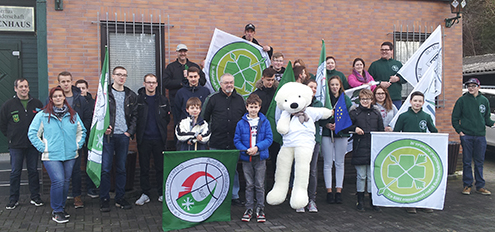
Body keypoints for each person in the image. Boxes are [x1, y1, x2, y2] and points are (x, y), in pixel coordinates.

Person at [28, 86, 86, 223]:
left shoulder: (73, 114)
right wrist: (43, 147)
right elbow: (32, 133)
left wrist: (77, 146)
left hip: (70, 155)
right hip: (51, 156)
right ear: (51, 99)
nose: (58, 98)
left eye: (60, 96)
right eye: (55, 96)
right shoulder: (42, 115)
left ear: (64, 97)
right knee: (58, 180)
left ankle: (61, 206)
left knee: (66, 182)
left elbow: (81, 131)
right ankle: (57, 210)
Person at [0, 78, 44, 210]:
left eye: (26, 86)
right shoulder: (8, 105)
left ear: (29, 88)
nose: (24, 89)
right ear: (15, 88)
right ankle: (13, 199)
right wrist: (11, 136)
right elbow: (2, 124)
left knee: (33, 171)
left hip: (32, 144)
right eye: (21, 87)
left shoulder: (37, 103)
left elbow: (42, 122)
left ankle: (35, 197)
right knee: (15, 172)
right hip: (16, 145)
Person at [203, 73, 246, 206]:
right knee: (215, 170)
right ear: (221, 84)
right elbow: (205, 118)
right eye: (226, 83)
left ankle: (234, 196)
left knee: (233, 169)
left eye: (231, 82)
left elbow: (245, 119)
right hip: (217, 140)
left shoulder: (240, 99)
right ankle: (216, 196)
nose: (229, 85)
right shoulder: (212, 99)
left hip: (234, 141)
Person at [100, 66, 138, 212]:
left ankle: (120, 198)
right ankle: (104, 198)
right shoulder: (105, 93)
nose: (122, 77)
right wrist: (104, 128)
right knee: (105, 168)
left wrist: (129, 132)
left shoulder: (130, 95)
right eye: (119, 74)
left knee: (122, 168)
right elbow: (98, 113)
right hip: (108, 136)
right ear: (113, 76)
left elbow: (135, 115)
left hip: (123, 136)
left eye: (124, 75)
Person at [394, 91, 437, 214]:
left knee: (422, 176)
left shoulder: (426, 116)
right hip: (407, 152)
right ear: (410, 101)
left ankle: (424, 203)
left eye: (420, 101)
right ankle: (410, 203)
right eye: (415, 101)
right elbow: (396, 133)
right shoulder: (403, 116)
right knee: (408, 178)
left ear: (423, 103)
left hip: (421, 151)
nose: (417, 103)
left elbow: (434, 131)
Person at [452, 77, 494, 196]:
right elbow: (455, 118)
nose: (471, 88)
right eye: (469, 86)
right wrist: (460, 132)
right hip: (467, 136)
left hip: (480, 136)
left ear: (478, 87)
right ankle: (467, 185)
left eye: (473, 86)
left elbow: (486, 118)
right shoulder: (462, 100)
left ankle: (480, 186)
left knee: (479, 161)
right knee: (466, 161)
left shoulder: (484, 100)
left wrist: (492, 124)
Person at [234, 94, 273, 223]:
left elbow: (269, 139)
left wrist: (257, 147)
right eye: (251, 107)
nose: (253, 110)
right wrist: (246, 150)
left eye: (255, 107)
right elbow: (237, 140)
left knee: (260, 184)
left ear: (259, 107)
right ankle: (249, 209)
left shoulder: (264, 121)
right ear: (246, 107)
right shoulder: (241, 123)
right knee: (249, 184)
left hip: (260, 157)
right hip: (247, 158)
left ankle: (260, 209)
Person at [57, 71, 92, 208]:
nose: (66, 84)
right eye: (63, 81)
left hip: (76, 141)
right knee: (61, 171)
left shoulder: (80, 99)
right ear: (59, 83)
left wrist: (81, 134)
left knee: (76, 170)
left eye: (68, 81)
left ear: (71, 82)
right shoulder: (55, 98)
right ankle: (62, 197)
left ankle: (77, 196)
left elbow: (88, 117)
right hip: (59, 141)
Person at [135, 73, 171, 206]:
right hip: (143, 139)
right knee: (144, 168)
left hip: (159, 139)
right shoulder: (139, 100)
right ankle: (145, 194)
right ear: (144, 84)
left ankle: (161, 193)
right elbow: (135, 118)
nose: (151, 84)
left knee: (160, 167)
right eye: (148, 82)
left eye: (153, 82)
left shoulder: (163, 100)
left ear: (156, 84)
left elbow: (166, 119)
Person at [348, 89, 384, 212]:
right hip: (359, 147)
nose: (365, 101)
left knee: (370, 177)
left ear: (371, 100)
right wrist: (355, 128)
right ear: (359, 100)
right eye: (363, 99)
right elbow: (346, 126)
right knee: (361, 176)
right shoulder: (355, 113)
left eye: (367, 99)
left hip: (373, 148)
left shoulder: (376, 113)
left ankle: (373, 201)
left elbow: (381, 130)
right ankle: (360, 200)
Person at [320, 76, 352, 205]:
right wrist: (327, 124)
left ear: (340, 85)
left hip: (341, 133)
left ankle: (338, 191)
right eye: (332, 84)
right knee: (328, 163)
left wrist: (339, 125)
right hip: (327, 134)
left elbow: (350, 116)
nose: (334, 87)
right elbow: (319, 116)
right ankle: (329, 191)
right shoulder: (325, 100)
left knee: (340, 162)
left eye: (336, 85)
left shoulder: (345, 99)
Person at [297, 79, 325, 213]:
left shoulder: (318, 104)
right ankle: (300, 201)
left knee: (312, 171)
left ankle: (311, 200)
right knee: (300, 171)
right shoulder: (297, 102)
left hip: (314, 141)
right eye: (310, 87)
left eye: (315, 88)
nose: (313, 89)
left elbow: (325, 119)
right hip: (300, 142)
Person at [163, 44, 206, 125]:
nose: (182, 53)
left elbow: (203, 81)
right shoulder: (171, 67)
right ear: (176, 53)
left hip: (196, 103)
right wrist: (182, 83)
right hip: (178, 102)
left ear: (187, 53)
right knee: (180, 125)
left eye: (184, 51)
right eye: (180, 51)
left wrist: (193, 80)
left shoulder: (194, 66)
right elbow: (166, 83)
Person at [368, 42, 406, 109]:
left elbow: (405, 78)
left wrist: (397, 79)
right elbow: (369, 81)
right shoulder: (374, 65)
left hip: (395, 98)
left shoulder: (398, 64)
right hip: (379, 99)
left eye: (386, 50)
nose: (384, 51)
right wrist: (380, 83)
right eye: (382, 50)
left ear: (391, 51)